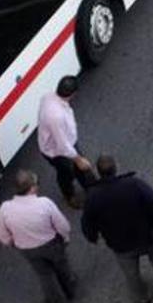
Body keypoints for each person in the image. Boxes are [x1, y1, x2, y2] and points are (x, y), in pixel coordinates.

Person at [81, 155, 153, 303]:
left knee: (131, 273)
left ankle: (141, 296)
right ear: (116, 167)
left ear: (98, 172)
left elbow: (88, 223)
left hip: (121, 244)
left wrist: (92, 237)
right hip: (148, 236)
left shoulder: (93, 197)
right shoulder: (134, 184)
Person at [0, 170, 77, 303]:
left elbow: (1, 235)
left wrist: (14, 243)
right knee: (62, 266)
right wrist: (65, 237)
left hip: (28, 250)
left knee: (45, 276)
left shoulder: (5, 208)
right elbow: (62, 225)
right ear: (32, 187)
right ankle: (70, 289)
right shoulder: (44, 203)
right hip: (52, 243)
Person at [38, 75, 97, 208]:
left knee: (79, 168)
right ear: (73, 94)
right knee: (66, 173)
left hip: (66, 143)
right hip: (56, 151)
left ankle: (91, 187)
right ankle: (69, 196)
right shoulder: (56, 116)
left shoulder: (48, 97)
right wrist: (78, 159)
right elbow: (63, 145)